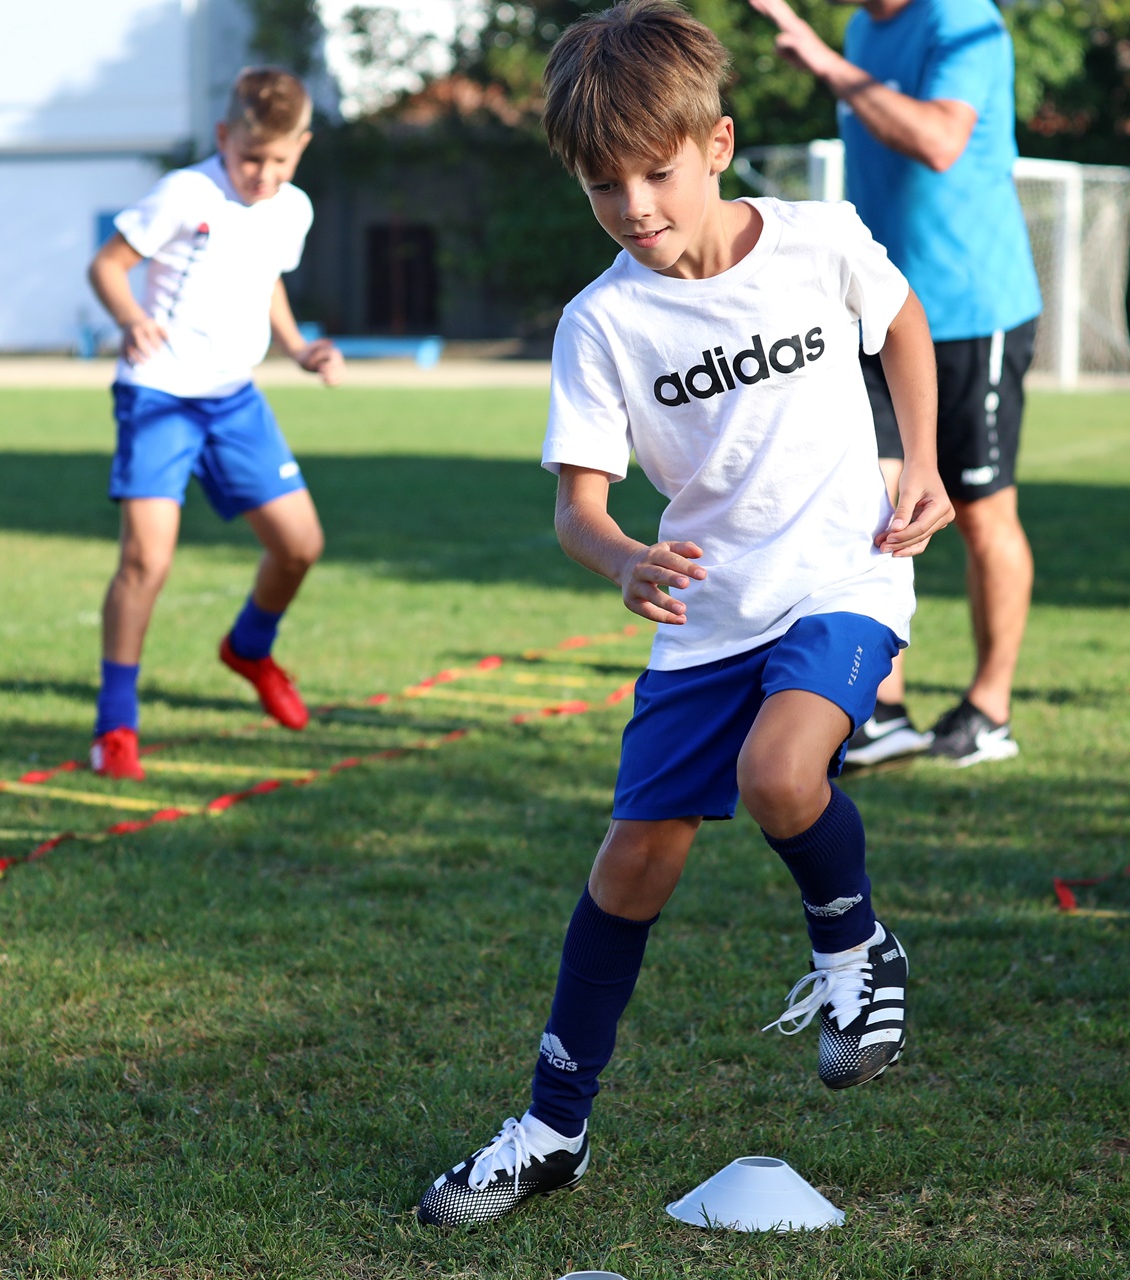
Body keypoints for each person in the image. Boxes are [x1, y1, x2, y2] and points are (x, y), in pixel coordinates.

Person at [416, 0, 953, 1227]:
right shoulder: (602, 323)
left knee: (781, 773)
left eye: (657, 173)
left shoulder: (820, 241)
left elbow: (904, 322)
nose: (638, 207)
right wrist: (619, 562)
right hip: (707, 618)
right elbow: (579, 509)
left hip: (842, 574)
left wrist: (920, 457)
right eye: (606, 188)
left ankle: (854, 946)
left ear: (715, 144)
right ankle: (553, 1128)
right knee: (633, 863)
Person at [751, 0, 1041, 768]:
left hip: (973, 311)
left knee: (979, 514)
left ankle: (990, 708)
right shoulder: (861, 28)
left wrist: (824, 63)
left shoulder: (961, 20)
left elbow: (941, 141)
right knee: (871, 504)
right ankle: (879, 706)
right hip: (877, 308)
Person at [83, 68, 344, 781]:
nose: (262, 175)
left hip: (234, 397)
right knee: (147, 561)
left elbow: (266, 282)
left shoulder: (293, 209)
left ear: (301, 149)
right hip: (160, 395)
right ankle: (116, 726)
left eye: (279, 161)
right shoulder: (185, 193)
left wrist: (298, 347)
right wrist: (132, 319)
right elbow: (107, 266)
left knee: (300, 546)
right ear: (224, 137)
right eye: (250, 157)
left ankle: (249, 649)